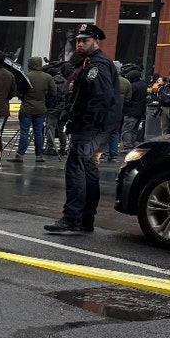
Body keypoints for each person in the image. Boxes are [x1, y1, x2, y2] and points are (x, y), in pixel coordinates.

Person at [44, 24, 121, 235]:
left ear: (96, 41)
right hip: (95, 126)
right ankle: (85, 219)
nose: (80, 44)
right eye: (78, 41)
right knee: (88, 170)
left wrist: (84, 120)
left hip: (91, 127)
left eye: (85, 41)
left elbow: (100, 98)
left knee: (76, 168)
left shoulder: (98, 65)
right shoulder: (90, 62)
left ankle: (72, 217)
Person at [10, 56, 55, 163]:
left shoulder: (26, 76)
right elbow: (53, 93)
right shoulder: (48, 77)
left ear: (30, 65)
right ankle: (39, 155)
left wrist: (23, 97)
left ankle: (20, 155)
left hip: (26, 108)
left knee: (24, 132)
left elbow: (19, 92)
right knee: (38, 132)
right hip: (41, 108)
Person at [104, 66, 132, 161]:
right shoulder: (126, 82)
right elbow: (128, 98)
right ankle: (114, 154)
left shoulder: (107, 81)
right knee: (115, 132)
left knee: (105, 132)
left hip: (107, 110)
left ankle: (105, 153)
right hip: (119, 110)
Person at [120, 66, 145, 150]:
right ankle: (132, 144)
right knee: (134, 130)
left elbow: (128, 98)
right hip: (140, 111)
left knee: (126, 129)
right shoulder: (143, 85)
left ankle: (127, 145)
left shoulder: (133, 86)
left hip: (130, 111)